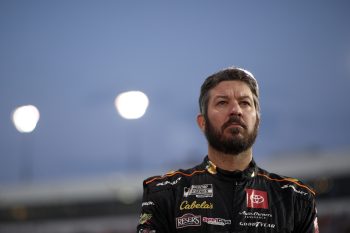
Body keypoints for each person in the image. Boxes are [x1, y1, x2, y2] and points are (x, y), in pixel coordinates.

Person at [136, 67, 319, 233]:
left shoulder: (296, 198)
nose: (235, 110)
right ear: (203, 123)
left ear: (257, 120)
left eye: (245, 103)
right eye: (222, 102)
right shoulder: (165, 193)